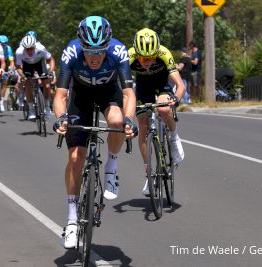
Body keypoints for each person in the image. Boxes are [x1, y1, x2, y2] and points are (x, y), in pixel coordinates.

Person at [53, 16, 137, 249]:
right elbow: (60, 95)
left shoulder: (119, 51)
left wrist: (130, 120)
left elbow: (129, 94)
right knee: (75, 158)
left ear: (108, 45)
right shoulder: (70, 52)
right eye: (89, 51)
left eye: (100, 51)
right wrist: (60, 118)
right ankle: (71, 220)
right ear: (81, 46)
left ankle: (111, 167)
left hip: (109, 93)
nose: (94, 57)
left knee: (118, 121)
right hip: (80, 97)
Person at [128, 28, 185, 196]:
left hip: (162, 85)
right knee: (143, 127)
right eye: (144, 58)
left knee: (163, 108)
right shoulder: (129, 55)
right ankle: (149, 173)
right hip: (143, 87)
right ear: (137, 53)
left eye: (152, 57)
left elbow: (181, 85)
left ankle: (173, 137)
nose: (147, 61)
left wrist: (176, 99)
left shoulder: (164, 53)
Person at [15, 34, 55, 119]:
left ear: (34, 46)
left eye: (31, 49)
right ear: (24, 47)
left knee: (47, 86)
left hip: (40, 64)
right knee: (28, 83)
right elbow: (18, 67)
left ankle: (47, 108)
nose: (29, 51)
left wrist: (51, 72)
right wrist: (22, 76)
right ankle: (31, 109)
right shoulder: (19, 51)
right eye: (27, 49)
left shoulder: (41, 48)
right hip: (27, 65)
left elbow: (51, 60)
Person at [0, 34, 17, 112]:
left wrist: (11, 69)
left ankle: (1, 102)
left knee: (5, 82)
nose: (3, 45)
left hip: (4, 63)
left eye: (5, 43)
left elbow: (11, 61)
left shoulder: (8, 48)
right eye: (2, 43)